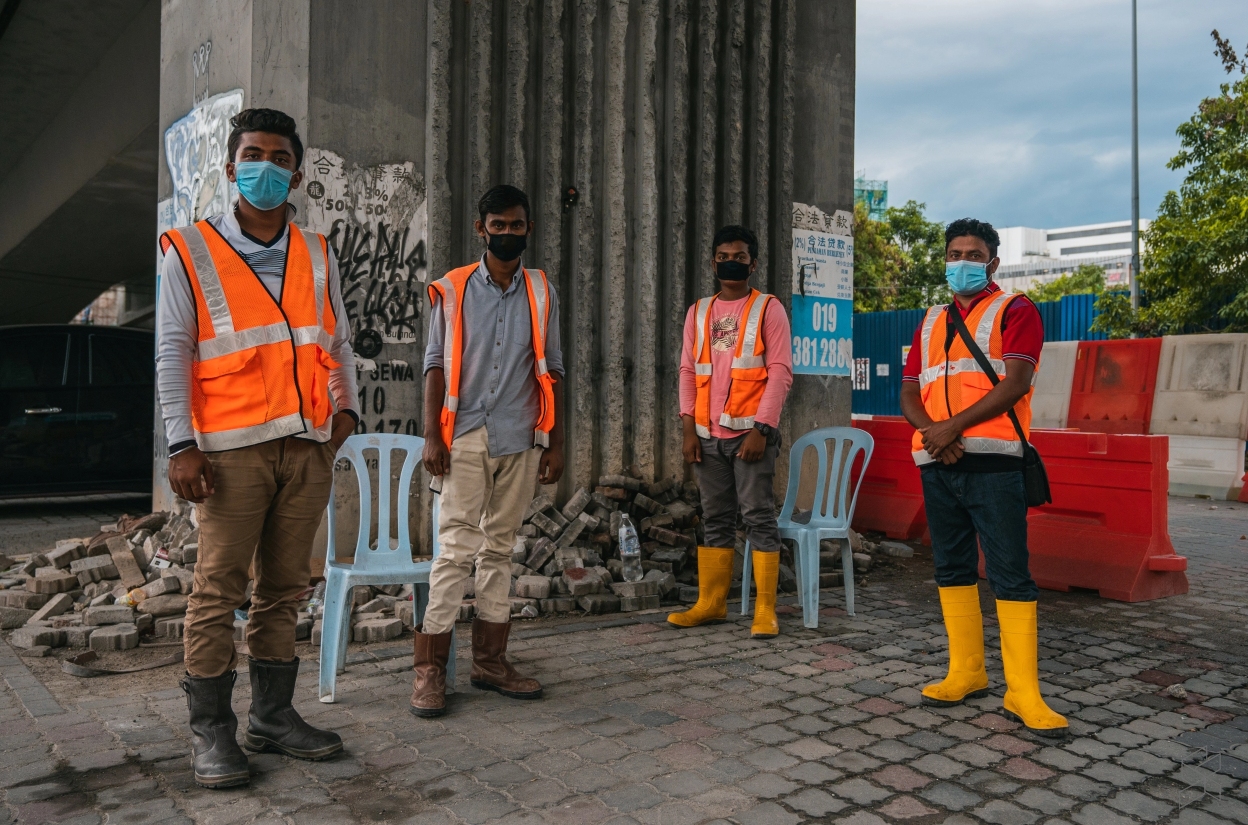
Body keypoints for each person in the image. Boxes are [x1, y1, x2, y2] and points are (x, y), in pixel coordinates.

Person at [156, 108, 359, 787]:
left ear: (297, 173)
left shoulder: (318, 251)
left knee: (285, 588)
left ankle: (272, 716)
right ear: (229, 166)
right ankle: (211, 732)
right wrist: (180, 444)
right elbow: (173, 349)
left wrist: (347, 412)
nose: (264, 167)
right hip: (228, 453)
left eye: (278, 157)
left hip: (305, 448)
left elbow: (338, 342)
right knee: (217, 590)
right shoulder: (191, 250)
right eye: (252, 154)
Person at [899, 218, 1067, 737]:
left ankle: (1024, 692)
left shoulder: (1016, 310)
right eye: (954, 253)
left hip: (995, 464)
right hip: (938, 462)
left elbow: (1015, 382)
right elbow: (909, 392)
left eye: (973, 254)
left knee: (1009, 571)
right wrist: (934, 434)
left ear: (992, 262)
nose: (962, 262)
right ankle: (966, 671)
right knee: (950, 567)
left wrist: (951, 428)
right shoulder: (929, 322)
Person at [412, 184, 565, 718]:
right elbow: (434, 363)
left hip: (521, 434)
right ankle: (430, 671)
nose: (505, 233)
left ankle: (490, 662)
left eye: (515, 225)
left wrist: (555, 441)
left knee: (500, 547)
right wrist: (433, 434)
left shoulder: (542, 290)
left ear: (528, 228)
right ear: (481, 229)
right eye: (496, 226)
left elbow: (555, 368)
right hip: (465, 436)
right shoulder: (453, 289)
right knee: (454, 549)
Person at [669, 225, 793, 638]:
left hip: (749, 436)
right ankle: (712, 603)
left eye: (739, 256)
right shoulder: (699, 311)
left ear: (753, 264)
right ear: (713, 262)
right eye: (723, 256)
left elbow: (780, 373)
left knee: (758, 516)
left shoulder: (768, 309)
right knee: (716, 517)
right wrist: (688, 429)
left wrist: (762, 428)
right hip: (706, 435)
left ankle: (765, 610)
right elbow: (689, 371)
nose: (730, 262)